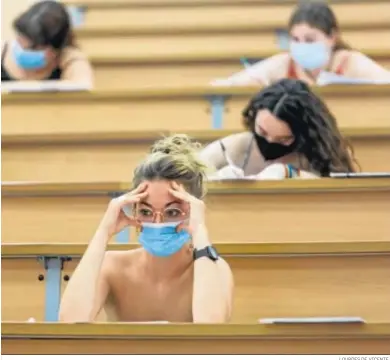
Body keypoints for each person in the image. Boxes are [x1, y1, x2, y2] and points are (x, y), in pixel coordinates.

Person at [59, 135, 234, 323]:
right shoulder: (111, 266)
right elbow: (69, 322)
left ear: (194, 211)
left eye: (172, 212)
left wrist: (200, 233)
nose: (157, 222)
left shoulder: (215, 270)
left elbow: (212, 329)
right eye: (146, 211)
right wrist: (103, 233)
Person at [201, 79, 358, 179]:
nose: (269, 142)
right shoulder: (238, 146)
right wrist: (212, 179)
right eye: (262, 132)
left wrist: (289, 173)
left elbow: (338, 193)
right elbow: (190, 171)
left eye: (283, 139)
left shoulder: (322, 151)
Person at [211, 1, 390, 87]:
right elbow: (232, 83)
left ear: (332, 37)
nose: (301, 46)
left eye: (310, 40)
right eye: (295, 39)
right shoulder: (284, 63)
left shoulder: (351, 62)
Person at [1, 0, 93, 85]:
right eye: (19, 41)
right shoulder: (2, 52)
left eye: (32, 48)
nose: (21, 49)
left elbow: (81, 97)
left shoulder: (71, 60)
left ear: (55, 50)